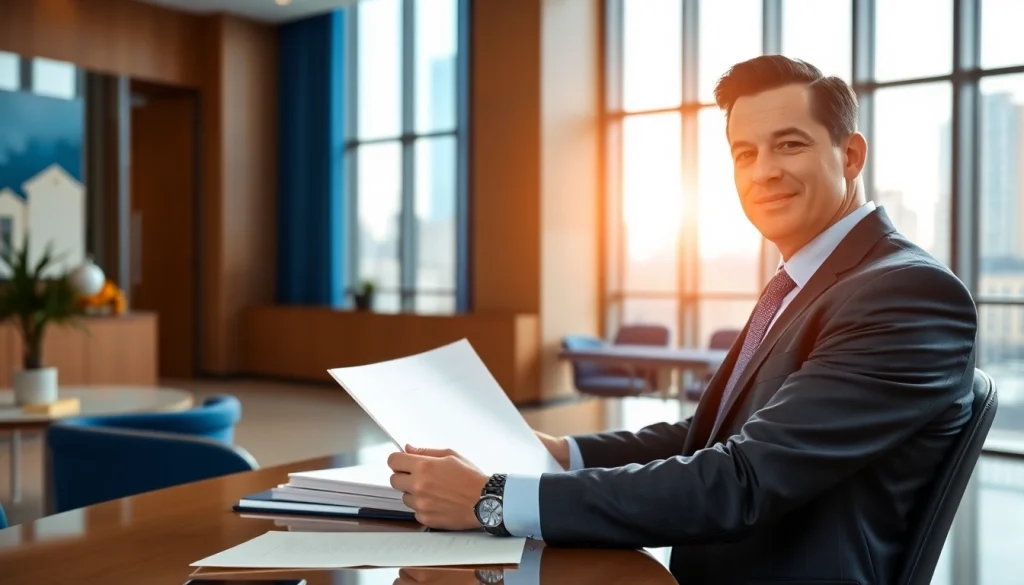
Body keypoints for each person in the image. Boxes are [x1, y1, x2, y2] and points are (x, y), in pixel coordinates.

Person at [387, 55, 978, 584]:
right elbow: (714, 435)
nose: (763, 171)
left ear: (849, 155)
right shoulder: (812, 279)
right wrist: (565, 452)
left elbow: (742, 479)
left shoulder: (905, 294)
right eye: (745, 153)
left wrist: (491, 499)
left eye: (790, 145)